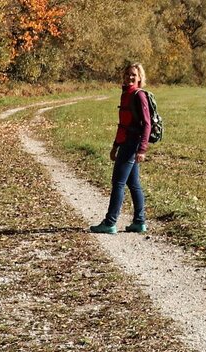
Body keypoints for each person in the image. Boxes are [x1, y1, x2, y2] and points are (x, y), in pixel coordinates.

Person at [90, 63, 151, 234]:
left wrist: (142, 149)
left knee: (118, 183)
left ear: (140, 78)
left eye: (133, 75)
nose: (130, 77)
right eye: (127, 74)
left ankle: (110, 222)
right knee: (133, 183)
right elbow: (123, 124)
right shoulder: (126, 94)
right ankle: (139, 222)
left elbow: (147, 125)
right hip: (125, 143)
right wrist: (115, 146)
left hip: (132, 144)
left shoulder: (139, 96)